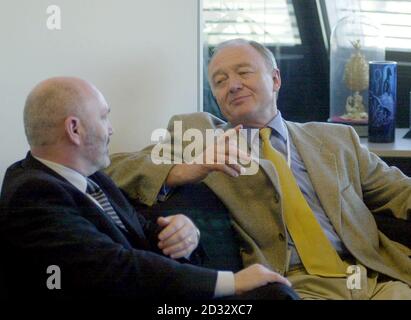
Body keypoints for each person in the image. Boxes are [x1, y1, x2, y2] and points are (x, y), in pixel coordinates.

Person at [106, 39, 411, 300]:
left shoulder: (335, 138)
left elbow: (399, 192)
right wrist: (184, 169)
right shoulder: (198, 135)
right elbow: (112, 169)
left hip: (375, 279)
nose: (233, 85)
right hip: (291, 286)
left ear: (275, 79)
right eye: (220, 81)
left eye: (243, 72)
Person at [0, 76, 294, 300]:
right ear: (74, 129)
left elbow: (139, 230)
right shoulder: (32, 194)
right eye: (104, 117)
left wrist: (179, 230)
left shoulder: (93, 177)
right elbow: (116, 268)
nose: (111, 129)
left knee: (272, 293)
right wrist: (232, 281)